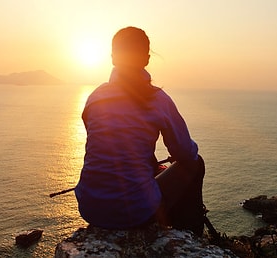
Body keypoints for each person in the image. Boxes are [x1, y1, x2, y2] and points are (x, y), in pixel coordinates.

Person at [74, 26, 206, 235]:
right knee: (196, 164)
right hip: (136, 213)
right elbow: (185, 153)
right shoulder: (158, 100)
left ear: (112, 57)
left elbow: (109, 147)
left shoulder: (95, 98)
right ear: (146, 59)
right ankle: (190, 234)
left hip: (91, 208)